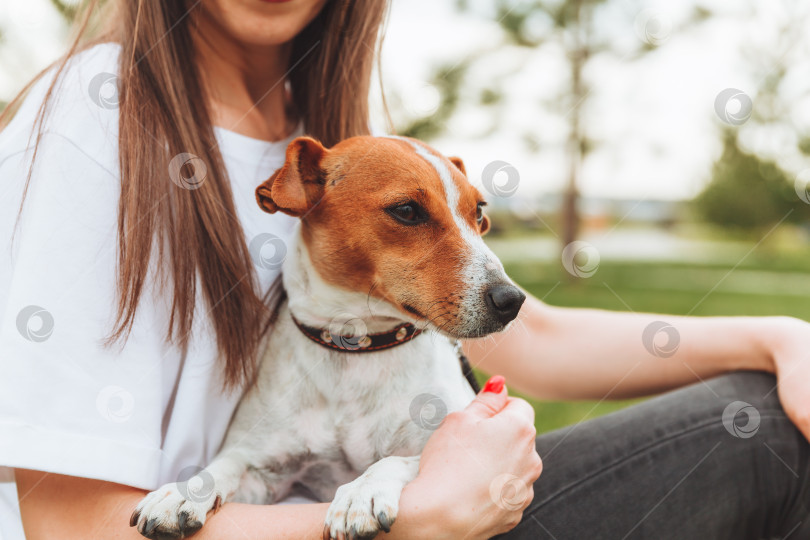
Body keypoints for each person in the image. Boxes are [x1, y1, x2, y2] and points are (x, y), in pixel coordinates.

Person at [0, 1, 807, 539]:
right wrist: (413, 515)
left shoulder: (340, 137)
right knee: (763, 436)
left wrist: (777, 338)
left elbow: (526, 335)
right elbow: (72, 525)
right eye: (412, 217)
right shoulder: (99, 113)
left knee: (768, 406)